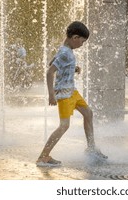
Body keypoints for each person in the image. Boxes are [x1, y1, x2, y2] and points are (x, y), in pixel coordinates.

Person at [36, 21, 107, 167]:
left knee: (88, 114)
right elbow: (50, 72)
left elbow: (53, 63)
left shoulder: (65, 50)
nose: (82, 45)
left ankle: (91, 148)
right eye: (82, 41)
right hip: (64, 94)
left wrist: (72, 68)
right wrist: (51, 94)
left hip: (72, 91)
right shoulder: (64, 53)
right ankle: (43, 156)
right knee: (64, 126)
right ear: (75, 37)